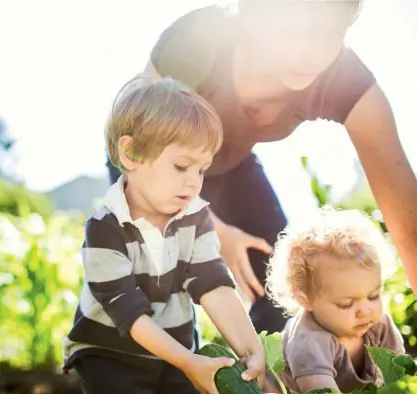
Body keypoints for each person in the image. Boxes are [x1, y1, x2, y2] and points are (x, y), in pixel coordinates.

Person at [106, 0, 417, 335]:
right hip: (144, 165)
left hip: (230, 167)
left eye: (333, 32)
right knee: (157, 295)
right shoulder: (197, 42)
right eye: (298, 31)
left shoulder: (347, 80)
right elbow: (137, 151)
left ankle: (284, 380)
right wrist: (209, 226)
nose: (315, 54)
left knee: (284, 287)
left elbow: (409, 227)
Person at [63, 75, 265, 394]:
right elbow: (130, 315)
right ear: (132, 153)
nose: (194, 181)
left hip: (174, 347)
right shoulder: (103, 229)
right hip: (110, 355)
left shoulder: (195, 217)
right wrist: (189, 362)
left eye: (202, 169)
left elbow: (212, 283)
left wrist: (249, 346)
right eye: (181, 166)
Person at [266, 207, 405, 394]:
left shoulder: (379, 325)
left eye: (373, 296)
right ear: (305, 300)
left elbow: (401, 375)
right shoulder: (309, 342)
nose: (365, 310)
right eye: (346, 304)